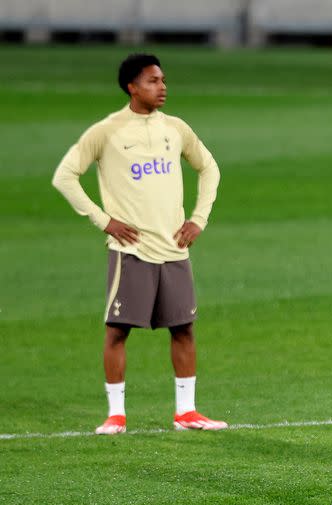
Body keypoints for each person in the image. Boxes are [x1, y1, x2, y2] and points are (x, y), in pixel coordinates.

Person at [52, 53, 227, 435]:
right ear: (132, 87)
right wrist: (104, 220)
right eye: (152, 80)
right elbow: (65, 176)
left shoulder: (175, 128)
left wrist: (198, 218)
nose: (162, 87)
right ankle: (116, 414)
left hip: (174, 249)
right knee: (117, 330)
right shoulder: (108, 130)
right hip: (131, 251)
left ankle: (186, 412)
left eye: (163, 79)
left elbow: (209, 166)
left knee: (184, 328)